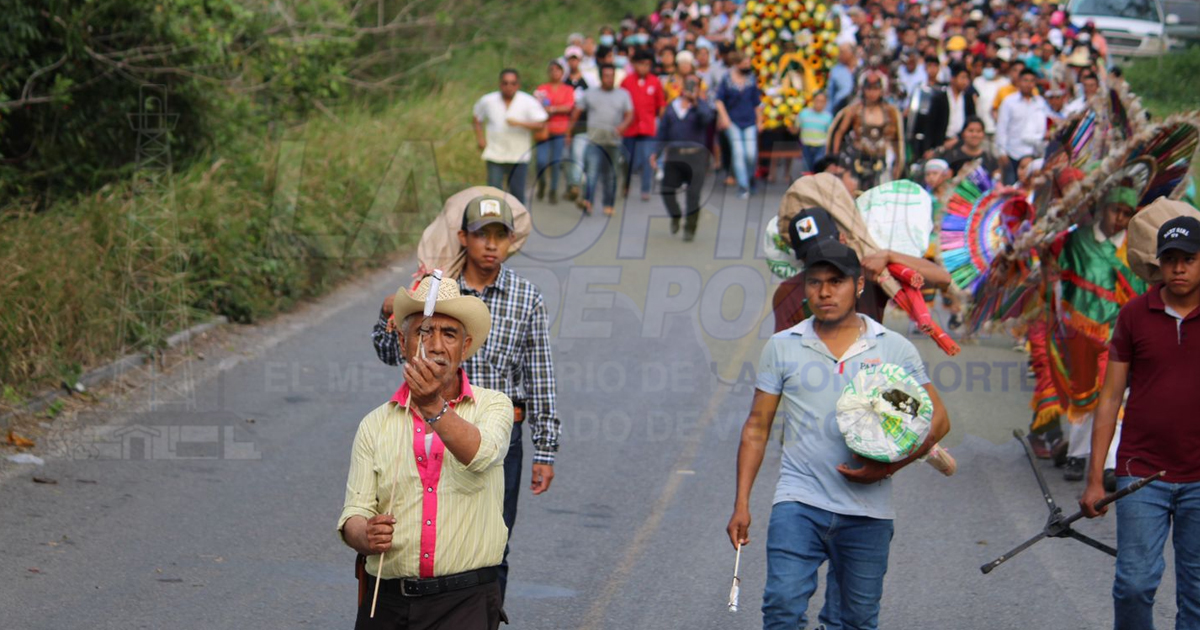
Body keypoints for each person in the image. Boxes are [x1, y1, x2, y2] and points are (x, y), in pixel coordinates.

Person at [728, 239, 951, 630]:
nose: (825, 292)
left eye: (836, 281)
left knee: (856, 621)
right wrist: (742, 503)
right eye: (815, 283)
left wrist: (887, 468)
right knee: (781, 608)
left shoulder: (893, 348)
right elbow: (756, 427)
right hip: (798, 502)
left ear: (859, 285)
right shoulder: (783, 346)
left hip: (869, 513)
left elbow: (939, 420)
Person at [371, 195, 560, 602]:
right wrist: (389, 313)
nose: (491, 245)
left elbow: (539, 374)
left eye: (500, 235)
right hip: (424, 426)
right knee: (424, 534)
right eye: (481, 235)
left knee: (494, 541)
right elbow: (390, 353)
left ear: (512, 241)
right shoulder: (435, 293)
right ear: (462, 237)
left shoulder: (527, 299)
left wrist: (545, 449)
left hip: (497, 432)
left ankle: (483, 617)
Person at [340, 275, 511, 630]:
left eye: (448, 334)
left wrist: (431, 404)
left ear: (465, 347)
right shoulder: (374, 424)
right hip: (386, 601)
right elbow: (353, 515)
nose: (435, 345)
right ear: (403, 342)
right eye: (423, 332)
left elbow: (481, 454)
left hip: (464, 601)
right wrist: (364, 535)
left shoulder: (494, 406)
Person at [1081, 216, 1200, 629]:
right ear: (1158, 264)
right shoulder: (1135, 314)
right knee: (1133, 584)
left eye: (1189, 259)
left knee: (1197, 594)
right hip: (1141, 474)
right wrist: (1095, 478)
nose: (1179, 268)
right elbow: (1110, 396)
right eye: (1170, 259)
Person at [1027, 185, 1147, 482]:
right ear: (1102, 208)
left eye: (1126, 213)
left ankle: (1109, 462)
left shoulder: (1135, 245)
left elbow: (1142, 287)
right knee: (1081, 395)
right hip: (1077, 330)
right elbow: (1053, 272)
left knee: (1115, 394)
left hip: (1118, 332)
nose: (1119, 218)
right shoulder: (1075, 239)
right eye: (1115, 210)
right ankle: (1077, 455)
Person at [651, 76, 713, 241]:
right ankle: (675, 214)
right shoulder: (673, 107)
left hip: (696, 156)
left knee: (693, 194)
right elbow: (663, 131)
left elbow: (707, 119)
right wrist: (656, 152)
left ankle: (690, 228)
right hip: (675, 156)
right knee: (667, 190)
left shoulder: (702, 106)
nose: (690, 88)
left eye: (694, 86)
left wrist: (696, 101)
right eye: (688, 85)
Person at [473, 69, 548, 205]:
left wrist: (519, 123)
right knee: (493, 192)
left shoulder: (528, 101)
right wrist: (480, 138)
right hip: (495, 152)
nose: (509, 87)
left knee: (517, 193)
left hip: (518, 154)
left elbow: (541, 124)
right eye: (505, 83)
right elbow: (477, 118)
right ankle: (494, 223)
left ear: (518, 85)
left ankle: (518, 223)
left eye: (513, 83)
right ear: (500, 84)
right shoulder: (488, 100)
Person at [569, 64, 634, 216]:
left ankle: (608, 204)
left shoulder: (623, 94)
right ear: (600, 77)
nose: (609, 79)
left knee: (611, 174)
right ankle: (588, 201)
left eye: (611, 76)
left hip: (614, 142)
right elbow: (577, 111)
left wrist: (622, 127)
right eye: (606, 76)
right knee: (591, 173)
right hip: (594, 141)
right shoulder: (590, 94)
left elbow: (630, 114)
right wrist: (569, 132)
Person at [831, 71, 906, 189]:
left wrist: (898, 165)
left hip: (881, 161)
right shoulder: (853, 110)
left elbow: (898, 140)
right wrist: (835, 160)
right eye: (869, 89)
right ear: (863, 90)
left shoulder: (891, 112)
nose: (872, 93)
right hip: (856, 161)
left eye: (875, 89)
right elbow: (839, 133)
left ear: (882, 90)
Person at [621, 49, 667, 203]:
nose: (644, 68)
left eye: (647, 65)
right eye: (641, 64)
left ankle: (645, 188)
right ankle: (625, 185)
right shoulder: (626, 81)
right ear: (634, 65)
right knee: (628, 158)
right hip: (630, 127)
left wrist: (664, 124)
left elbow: (661, 104)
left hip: (648, 126)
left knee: (648, 158)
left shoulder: (655, 81)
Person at [715, 51, 762, 199]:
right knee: (738, 152)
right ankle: (743, 185)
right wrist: (724, 118)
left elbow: (757, 103)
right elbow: (719, 100)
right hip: (733, 121)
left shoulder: (751, 79)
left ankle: (750, 177)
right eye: (745, 63)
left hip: (749, 121)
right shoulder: (727, 79)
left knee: (750, 153)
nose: (747, 66)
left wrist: (760, 120)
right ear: (737, 64)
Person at [994, 69, 1048, 185]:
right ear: (1019, 82)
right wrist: (1002, 152)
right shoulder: (1009, 102)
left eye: (1032, 81)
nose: (1028, 84)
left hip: (1033, 152)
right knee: (1010, 187)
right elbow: (1002, 127)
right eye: (1025, 80)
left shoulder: (1040, 102)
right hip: (1012, 152)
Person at [534, 61, 576, 205]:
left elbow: (569, 107)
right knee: (541, 161)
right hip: (544, 130)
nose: (555, 73)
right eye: (552, 70)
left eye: (558, 70)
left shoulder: (568, 89)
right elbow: (536, 106)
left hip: (560, 130)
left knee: (556, 162)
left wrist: (552, 109)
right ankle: (542, 182)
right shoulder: (542, 88)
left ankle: (553, 190)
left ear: (562, 73)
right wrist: (555, 108)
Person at [562, 46, 591, 203]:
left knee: (578, 155)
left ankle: (575, 186)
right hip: (564, 125)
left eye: (576, 59)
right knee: (565, 157)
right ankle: (572, 183)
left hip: (582, 125)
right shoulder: (563, 81)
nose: (573, 62)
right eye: (570, 59)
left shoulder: (588, 81)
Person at [934, 116, 1000, 177]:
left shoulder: (990, 159)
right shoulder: (952, 156)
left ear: (983, 134)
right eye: (970, 131)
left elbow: (996, 181)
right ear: (963, 133)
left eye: (978, 131)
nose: (974, 135)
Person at [791, 92, 832, 174]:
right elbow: (796, 130)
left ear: (826, 103)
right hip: (806, 146)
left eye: (822, 101)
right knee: (807, 170)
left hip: (821, 147)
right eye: (817, 101)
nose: (819, 104)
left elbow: (830, 134)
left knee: (818, 170)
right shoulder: (804, 114)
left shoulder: (828, 117)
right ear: (813, 101)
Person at [972, 57, 1009, 137]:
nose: (987, 69)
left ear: (997, 69)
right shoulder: (978, 81)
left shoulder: (1005, 83)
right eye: (985, 67)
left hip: (998, 127)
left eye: (990, 67)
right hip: (981, 127)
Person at [826, 44, 858, 115]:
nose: (839, 55)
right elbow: (830, 94)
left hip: (858, 110)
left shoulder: (861, 67)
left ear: (851, 53)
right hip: (839, 109)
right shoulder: (836, 70)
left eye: (842, 52)